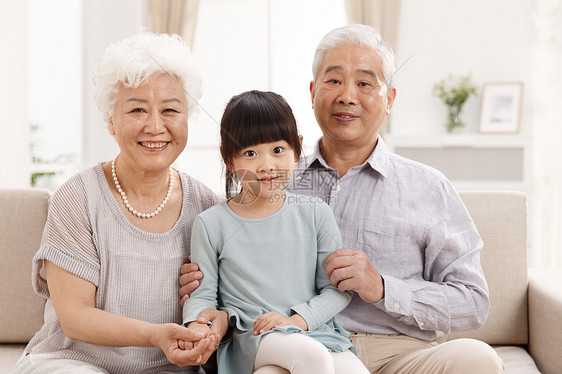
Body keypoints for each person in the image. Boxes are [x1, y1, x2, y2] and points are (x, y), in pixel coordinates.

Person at [181, 25, 505, 373]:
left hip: (400, 353)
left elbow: (473, 302)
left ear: (390, 100)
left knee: (479, 360)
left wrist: (382, 287)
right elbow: (227, 256)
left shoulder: (428, 188)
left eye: (364, 83)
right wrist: (201, 296)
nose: (347, 96)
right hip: (296, 344)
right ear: (312, 91)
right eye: (333, 80)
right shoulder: (269, 179)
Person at [12, 32, 229, 374]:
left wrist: (216, 322)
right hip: (73, 362)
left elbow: (222, 300)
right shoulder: (78, 197)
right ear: (111, 121)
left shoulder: (206, 205)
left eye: (170, 110)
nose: (155, 126)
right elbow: (75, 318)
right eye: (137, 109)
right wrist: (156, 335)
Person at [182, 90, 369, 374]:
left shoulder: (316, 213)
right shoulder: (210, 224)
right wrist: (197, 322)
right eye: (250, 153)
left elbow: (336, 291)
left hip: (312, 331)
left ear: (297, 149)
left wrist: (297, 321)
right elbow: (203, 296)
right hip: (252, 337)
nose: (266, 164)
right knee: (312, 357)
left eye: (278, 150)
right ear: (229, 159)